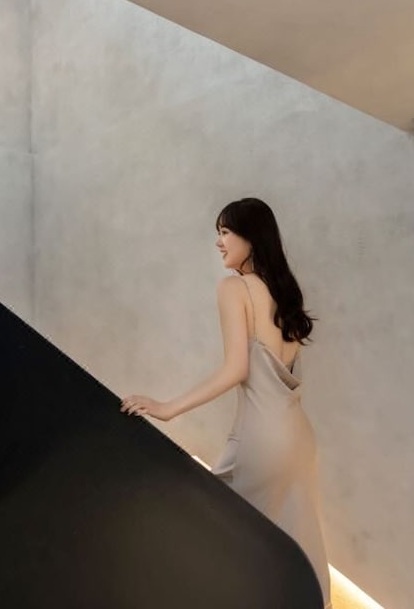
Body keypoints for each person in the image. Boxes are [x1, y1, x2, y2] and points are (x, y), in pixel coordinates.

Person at [120, 197, 332, 608]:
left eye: (225, 232)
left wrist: (167, 407)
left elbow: (236, 368)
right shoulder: (283, 293)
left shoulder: (234, 288)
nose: (219, 242)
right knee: (297, 546)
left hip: (262, 440)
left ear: (251, 237)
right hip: (299, 439)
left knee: (225, 542)